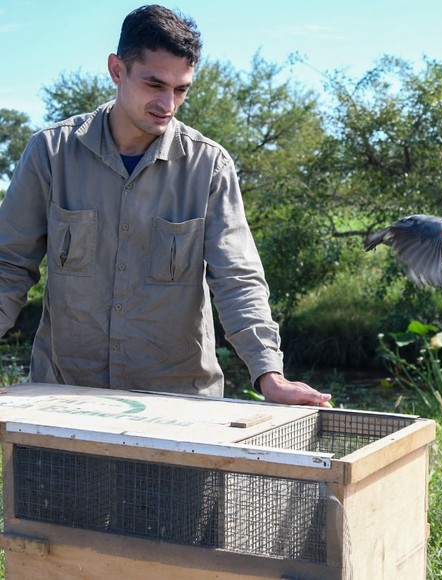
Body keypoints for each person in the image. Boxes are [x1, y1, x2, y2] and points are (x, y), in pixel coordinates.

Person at [0, 4, 330, 407]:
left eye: (181, 89)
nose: (168, 103)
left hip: (177, 407)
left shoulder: (209, 166)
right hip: (64, 398)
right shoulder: (51, 153)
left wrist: (269, 374)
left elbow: (237, 278)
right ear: (117, 70)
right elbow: (9, 266)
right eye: (155, 84)